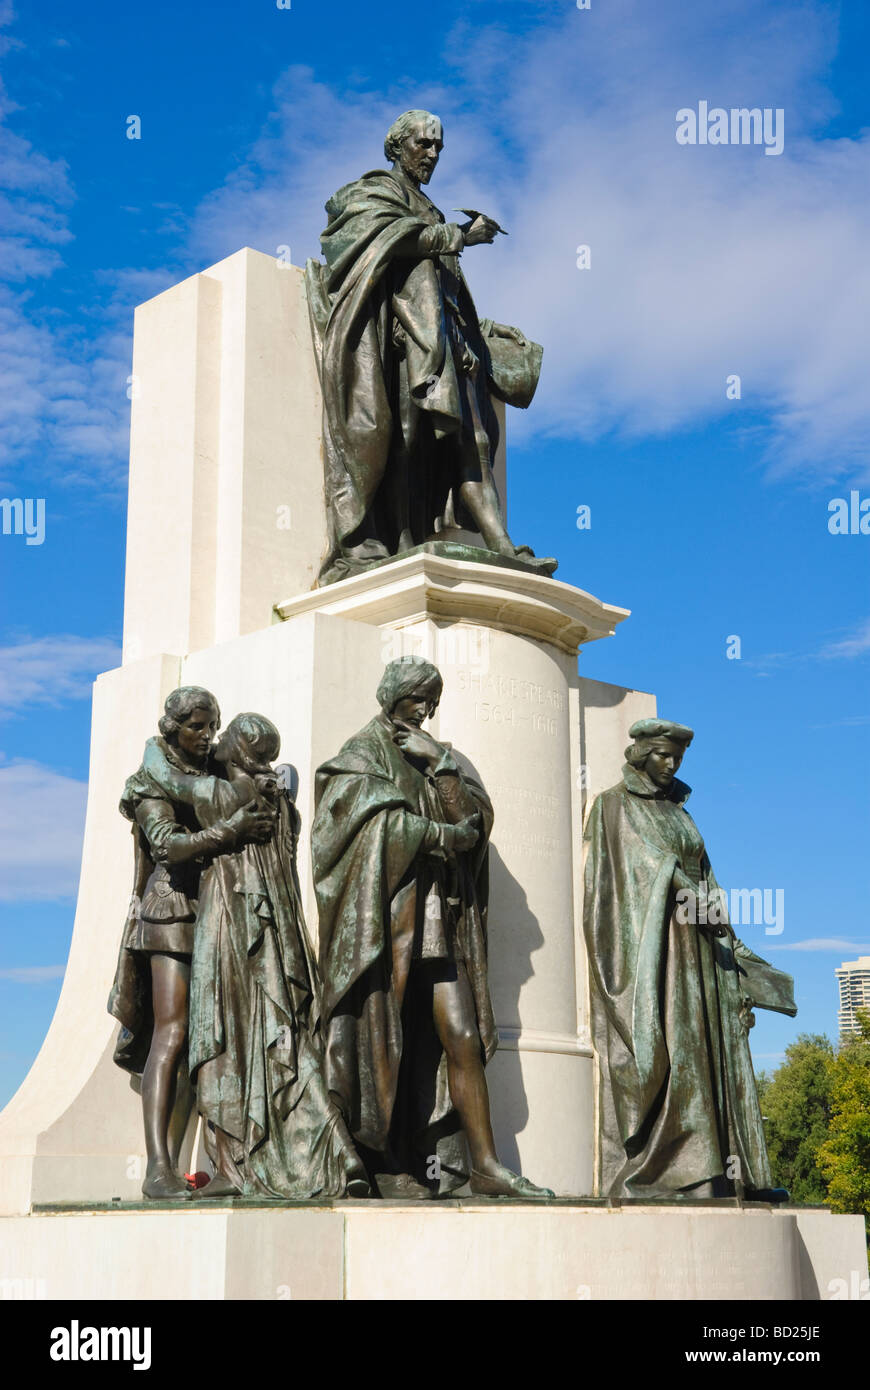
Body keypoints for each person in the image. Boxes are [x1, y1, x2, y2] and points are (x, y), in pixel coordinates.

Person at [311, 655, 553, 1199]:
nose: (427, 709)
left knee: (462, 1035)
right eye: (419, 697)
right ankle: (378, 1159)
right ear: (391, 695)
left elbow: (475, 820)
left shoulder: (435, 754)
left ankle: (487, 1164)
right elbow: (352, 827)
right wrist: (437, 837)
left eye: (434, 700)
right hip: (384, 923)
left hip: (436, 919)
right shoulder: (360, 754)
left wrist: (441, 762)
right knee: (381, 1037)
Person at [305, 109, 556, 584]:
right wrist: (461, 236)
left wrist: (486, 328)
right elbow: (381, 246)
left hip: (443, 342)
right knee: (401, 441)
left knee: (474, 440)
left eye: (439, 147)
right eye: (424, 144)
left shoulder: (430, 209)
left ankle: (503, 547)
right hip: (394, 341)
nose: (433, 154)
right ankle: (390, 539)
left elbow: (443, 290)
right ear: (398, 146)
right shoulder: (373, 192)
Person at [140, 713, 368, 1199]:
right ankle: (336, 1151)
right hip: (272, 932)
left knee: (222, 1036)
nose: (212, 739)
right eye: (204, 728)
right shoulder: (282, 802)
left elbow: (166, 778)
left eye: (221, 733)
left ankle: (234, 1166)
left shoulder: (225, 795)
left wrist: (152, 745)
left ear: (240, 753)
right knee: (272, 1038)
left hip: (230, 919)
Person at [583, 718, 794, 1201]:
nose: (671, 764)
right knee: (681, 1052)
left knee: (714, 1053)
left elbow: (704, 875)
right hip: (661, 953)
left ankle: (728, 1175)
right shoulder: (615, 804)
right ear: (640, 754)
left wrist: (738, 951)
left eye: (677, 758)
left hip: (700, 950)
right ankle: (685, 1174)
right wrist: (698, 905)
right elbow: (646, 868)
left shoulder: (679, 810)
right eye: (662, 755)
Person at [108, 687, 274, 1199]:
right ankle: (159, 1167)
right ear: (172, 728)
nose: (206, 736)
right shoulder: (149, 784)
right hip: (171, 910)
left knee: (209, 1037)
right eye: (195, 727)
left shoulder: (209, 778)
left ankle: (204, 1163)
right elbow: (167, 845)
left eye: (211, 726)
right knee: (173, 1031)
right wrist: (229, 832)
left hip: (214, 911)